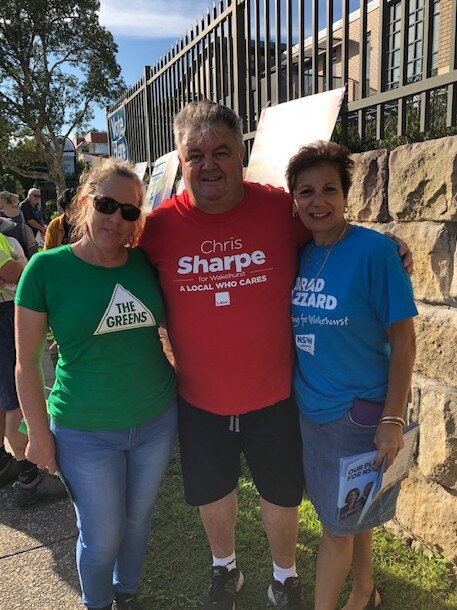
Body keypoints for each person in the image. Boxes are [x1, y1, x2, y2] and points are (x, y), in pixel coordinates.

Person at [138, 100, 413, 610]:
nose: (209, 164)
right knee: (213, 491)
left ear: (240, 155)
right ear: (179, 160)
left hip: (276, 394)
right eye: (194, 154)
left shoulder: (275, 209)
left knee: (281, 492)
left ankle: (284, 576)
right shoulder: (156, 229)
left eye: (221, 151)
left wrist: (388, 243)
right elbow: (110, 258)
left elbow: (331, 230)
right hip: (200, 396)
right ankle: (226, 570)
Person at [14, 159, 177, 610]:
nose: (116, 218)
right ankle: (98, 603)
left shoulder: (145, 264)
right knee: (102, 532)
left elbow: (176, 324)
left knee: (140, 518)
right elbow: (26, 363)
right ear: (85, 204)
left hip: (156, 420)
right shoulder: (46, 269)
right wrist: (37, 433)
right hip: (84, 431)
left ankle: (127, 592)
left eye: (130, 212)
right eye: (107, 204)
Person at [286, 141, 417, 610]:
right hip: (311, 413)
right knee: (350, 516)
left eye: (328, 190)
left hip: (358, 417)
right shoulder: (302, 251)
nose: (317, 201)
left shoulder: (376, 253)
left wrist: (392, 419)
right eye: (306, 191)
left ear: (346, 196)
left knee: (336, 529)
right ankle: (364, 592)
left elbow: (404, 340)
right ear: (294, 199)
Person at [0, 218, 65, 504]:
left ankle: (9, 465)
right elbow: (17, 272)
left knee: (6, 398)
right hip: (3, 316)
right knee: (16, 399)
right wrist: (19, 261)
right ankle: (31, 478)